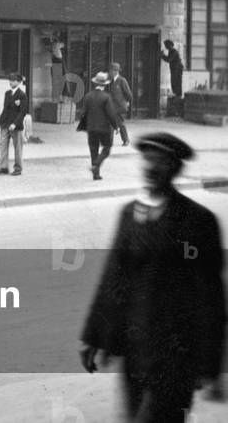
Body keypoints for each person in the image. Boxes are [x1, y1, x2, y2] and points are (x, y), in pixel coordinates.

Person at [80, 132, 226, 422]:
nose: (150, 167)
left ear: (175, 169)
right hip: (135, 352)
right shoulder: (130, 215)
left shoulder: (198, 221)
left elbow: (211, 296)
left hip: (177, 356)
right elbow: (114, 279)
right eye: (147, 159)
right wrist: (95, 338)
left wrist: (211, 366)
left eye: (160, 161)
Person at [78, 72, 121, 181]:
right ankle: (96, 165)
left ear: (95, 83)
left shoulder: (88, 96)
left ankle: (96, 175)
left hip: (91, 128)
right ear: (105, 84)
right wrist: (116, 126)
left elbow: (83, 113)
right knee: (107, 148)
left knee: (93, 150)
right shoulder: (106, 97)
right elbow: (111, 114)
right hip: (104, 129)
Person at [0, 73, 28, 176]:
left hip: (15, 126)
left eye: (13, 81)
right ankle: (3, 167)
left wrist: (15, 123)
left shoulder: (22, 95)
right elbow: (5, 108)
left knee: (18, 148)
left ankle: (18, 168)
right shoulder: (7, 93)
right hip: (5, 124)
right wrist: (0, 121)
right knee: (3, 145)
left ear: (19, 82)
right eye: (10, 80)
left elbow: (22, 112)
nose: (11, 82)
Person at [107, 62, 133, 147]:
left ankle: (126, 140)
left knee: (120, 123)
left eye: (111, 71)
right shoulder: (111, 81)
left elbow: (128, 93)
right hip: (112, 106)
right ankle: (110, 141)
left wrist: (128, 102)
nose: (110, 72)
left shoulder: (122, 80)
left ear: (116, 71)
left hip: (120, 106)